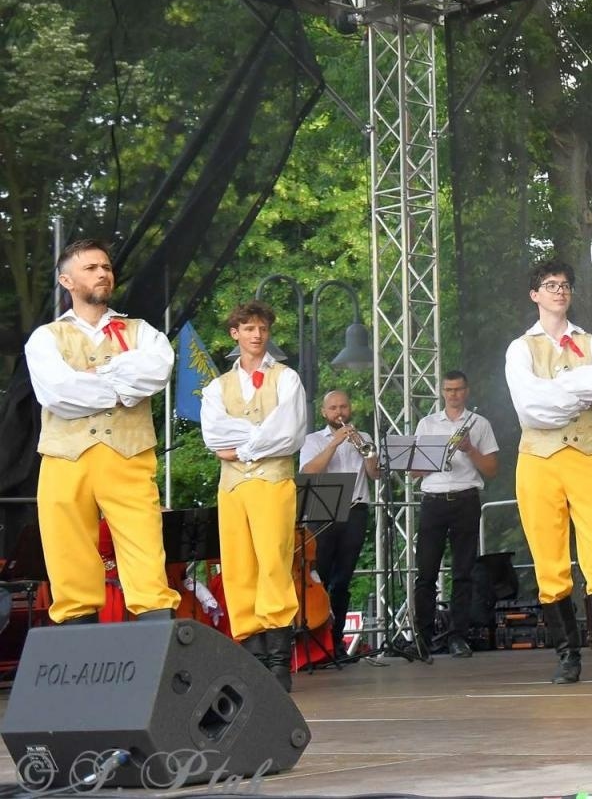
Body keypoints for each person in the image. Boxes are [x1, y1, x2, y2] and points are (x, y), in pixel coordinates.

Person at [25, 239, 180, 625]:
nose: (102, 273)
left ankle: (158, 647)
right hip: (65, 459)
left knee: (146, 555)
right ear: (67, 280)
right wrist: (123, 387)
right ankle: (80, 649)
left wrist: (96, 375)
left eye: (106, 267)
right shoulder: (46, 337)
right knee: (68, 558)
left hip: (128, 457)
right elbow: (59, 394)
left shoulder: (142, 332)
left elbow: (157, 372)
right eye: (91, 268)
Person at [504, 260, 592, 683]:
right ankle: (567, 656)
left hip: (588, 456)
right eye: (550, 285)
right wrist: (577, 393)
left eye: (564, 285)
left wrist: (553, 391)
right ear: (535, 294)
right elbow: (530, 409)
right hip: (537, 461)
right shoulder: (520, 348)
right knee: (549, 561)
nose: (559, 291)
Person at [201, 300, 306, 690]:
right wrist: (260, 437)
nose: (256, 335)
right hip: (232, 487)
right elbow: (214, 436)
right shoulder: (217, 387)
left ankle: (278, 662)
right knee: (238, 567)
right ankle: (253, 658)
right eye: (248, 328)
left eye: (262, 328)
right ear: (235, 334)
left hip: (272, 482)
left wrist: (243, 447)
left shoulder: (286, 379)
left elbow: (289, 433)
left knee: (273, 564)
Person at [412, 370, 499, 658]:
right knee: (426, 573)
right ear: (442, 391)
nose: (453, 394)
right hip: (433, 500)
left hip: (465, 499)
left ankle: (458, 636)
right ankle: (423, 637)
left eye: (458, 389)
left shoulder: (479, 424)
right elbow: (413, 472)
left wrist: (470, 449)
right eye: (449, 390)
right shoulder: (427, 424)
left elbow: (492, 470)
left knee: (463, 572)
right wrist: (434, 459)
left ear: (466, 391)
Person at [298, 388, 380, 658]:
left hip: (355, 511)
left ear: (350, 408)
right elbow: (308, 472)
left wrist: (368, 453)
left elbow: (374, 474)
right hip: (323, 511)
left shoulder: (364, 438)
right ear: (324, 412)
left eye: (343, 407)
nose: (339, 412)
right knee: (318, 577)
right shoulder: (312, 440)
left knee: (343, 580)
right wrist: (334, 443)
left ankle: (337, 642)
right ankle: (316, 644)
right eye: (333, 408)